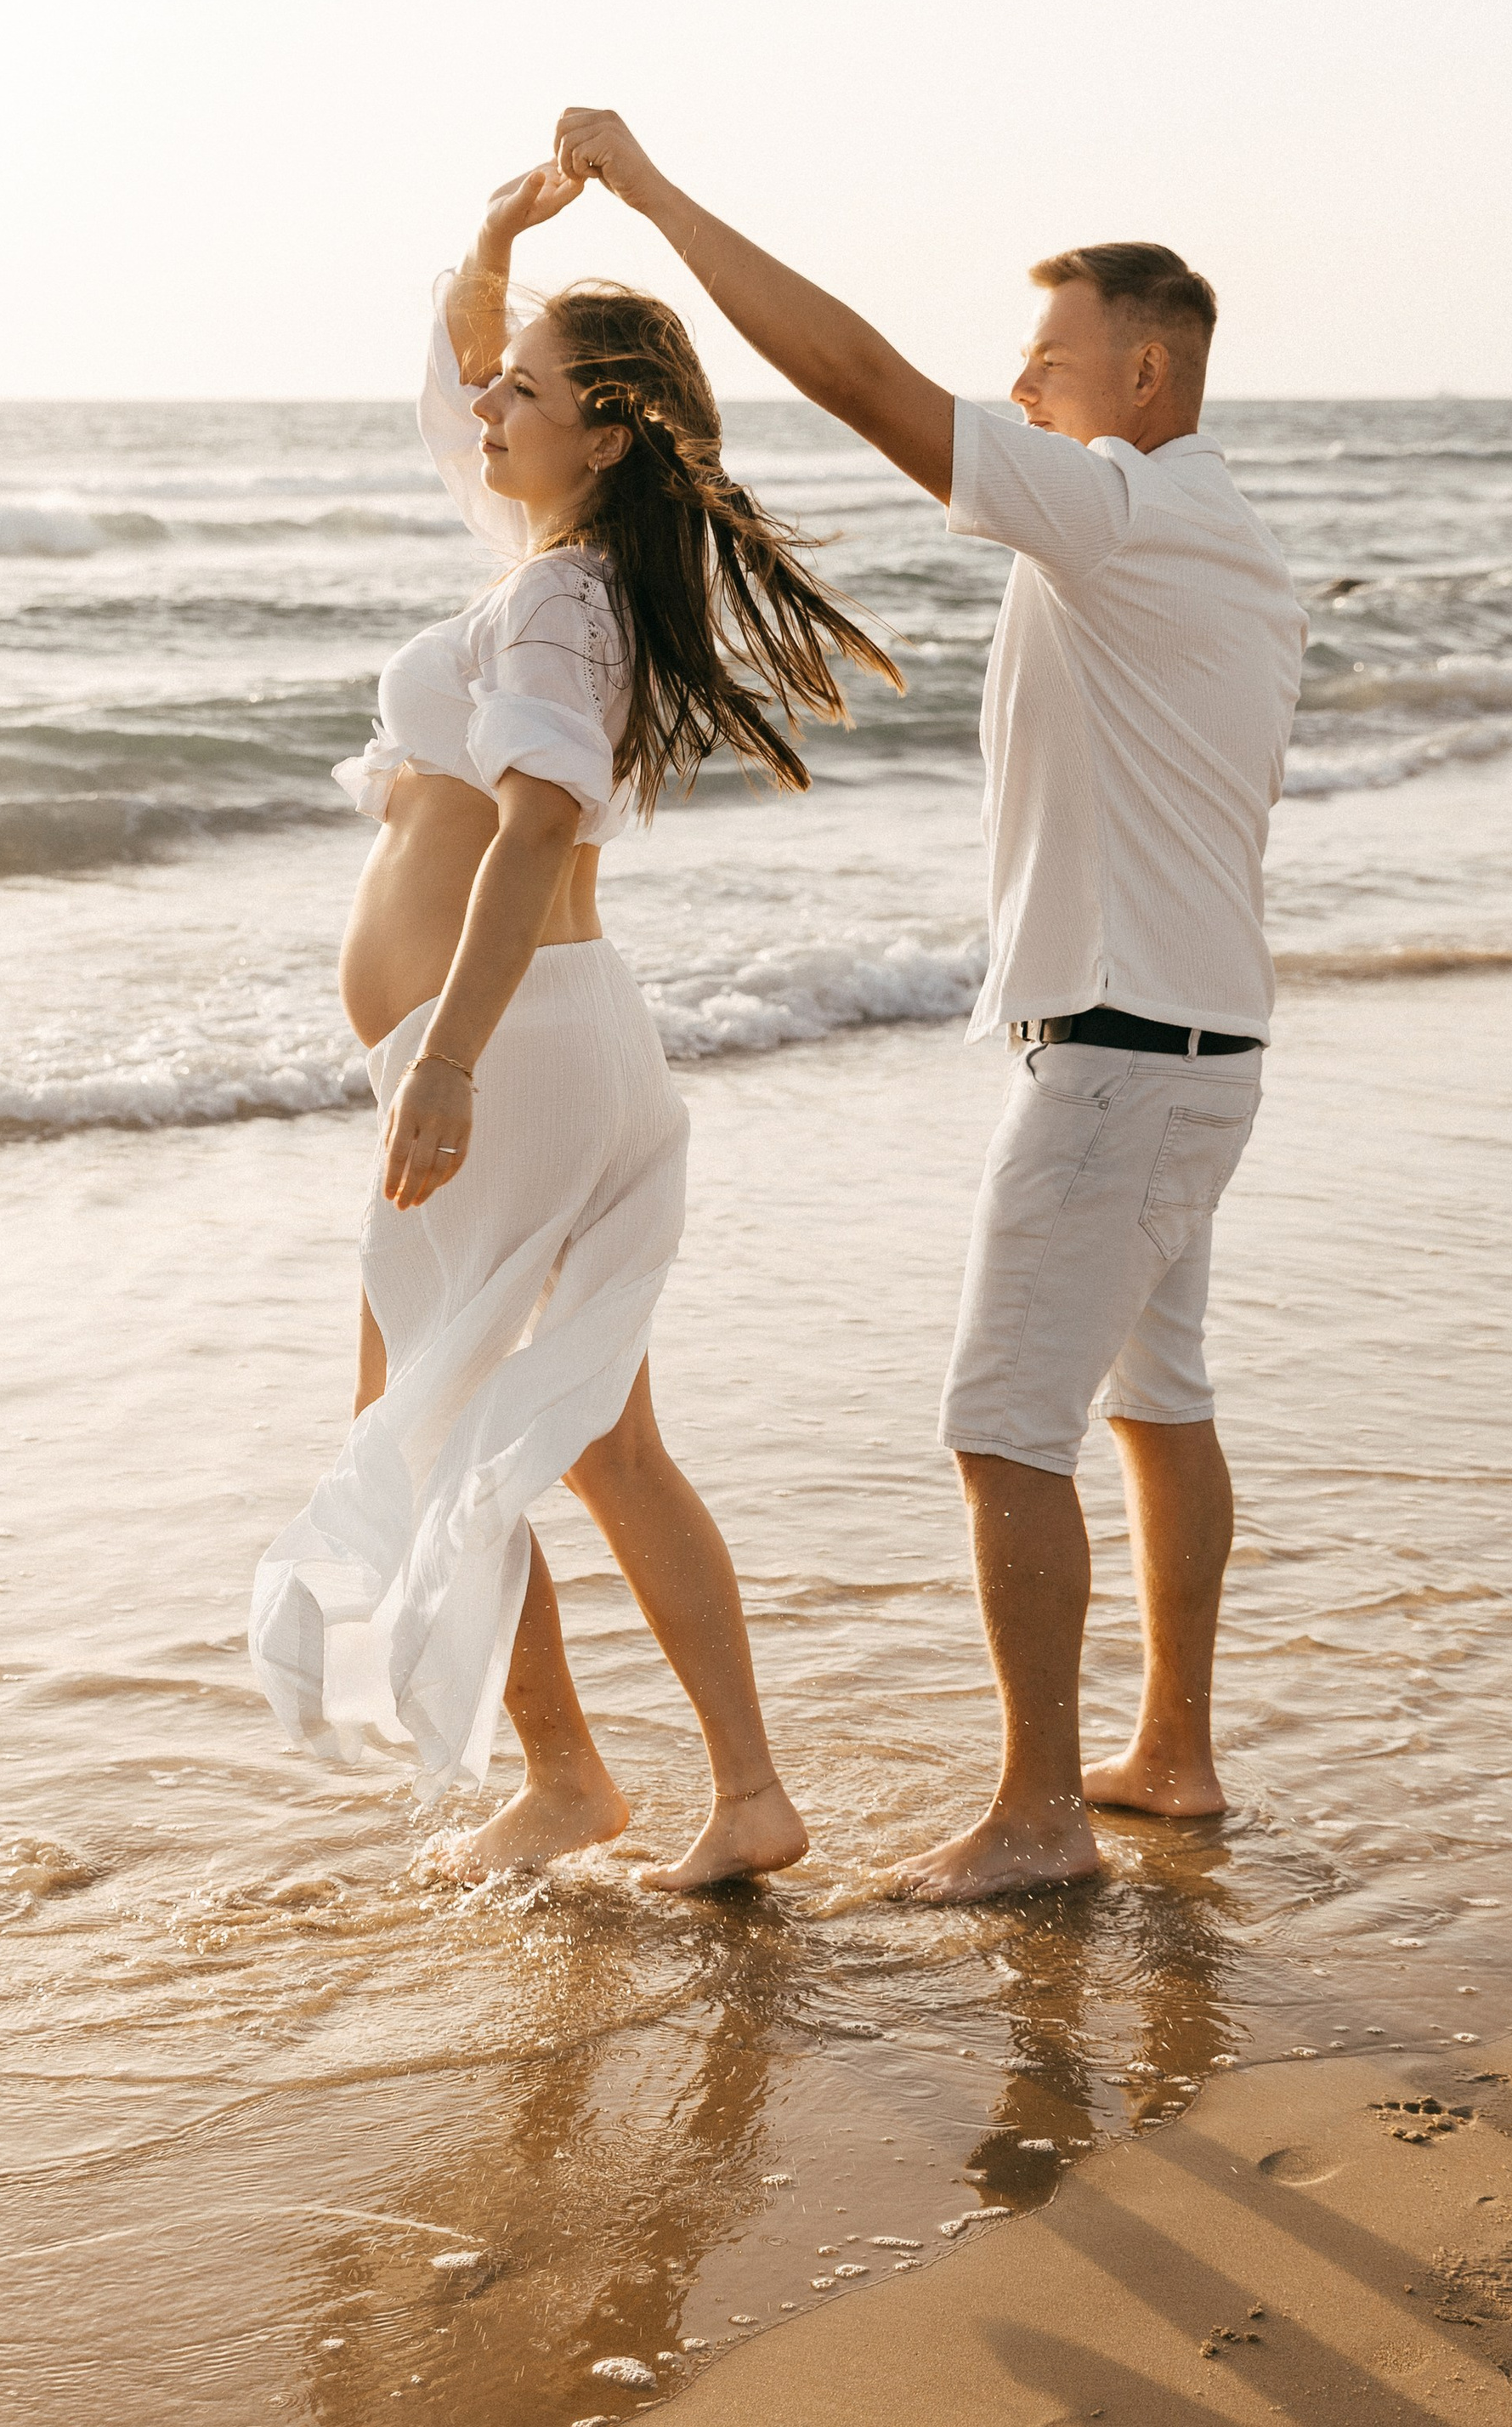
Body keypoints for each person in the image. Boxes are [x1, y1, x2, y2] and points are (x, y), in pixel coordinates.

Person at [550, 107, 1306, 1905]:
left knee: (1002, 1427)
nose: (1018, 391)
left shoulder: (1120, 512)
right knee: (1158, 1401)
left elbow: (861, 381)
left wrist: (653, 195)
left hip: (1118, 1062)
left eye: (1047, 361)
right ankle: (1171, 1753)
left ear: (1141, 373)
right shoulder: (1228, 542)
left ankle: (1039, 1813)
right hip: (1200, 1049)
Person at [249, 159, 902, 1889]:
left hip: (512, 1049)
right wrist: (492, 249)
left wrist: (444, 1057)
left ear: (604, 434)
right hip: (558, 1039)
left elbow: (533, 828)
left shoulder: (555, 597)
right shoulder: (566, 570)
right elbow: (459, 388)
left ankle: (566, 1776)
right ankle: (732, 1790)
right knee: (603, 1436)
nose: (486, 406)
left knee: (430, 1419)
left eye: (524, 392)